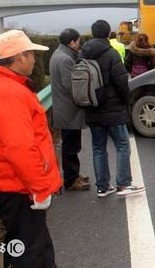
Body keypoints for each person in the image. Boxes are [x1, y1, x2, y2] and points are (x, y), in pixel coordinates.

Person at [0, 29, 62, 267]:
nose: (35, 59)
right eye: (32, 54)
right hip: (19, 187)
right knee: (34, 252)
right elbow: (19, 148)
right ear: (20, 56)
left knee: (22, 244)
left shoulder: (1, 86)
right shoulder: (8, 93)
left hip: (12, 184)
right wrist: (40, 188)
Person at [81, 20, 145, 197]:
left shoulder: (82, 55)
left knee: (98, 148)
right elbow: (121, 82)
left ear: (93, 33)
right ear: (109, 33)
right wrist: (125, 102)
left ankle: (102, 187)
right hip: (113, 108)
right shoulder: (111, 54)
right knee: (122, 145)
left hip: (92, 108)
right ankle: (123, 184)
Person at [49, 28, 90, 191]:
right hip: (68, 110)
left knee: (71, 144)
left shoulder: (59, 54)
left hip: (64, 109)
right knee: (71, 147)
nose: (79, 45)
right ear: (72, 42)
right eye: (78, 41)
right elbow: (70, 86)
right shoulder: (65, 59)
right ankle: (71, 180)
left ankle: (74, 174)